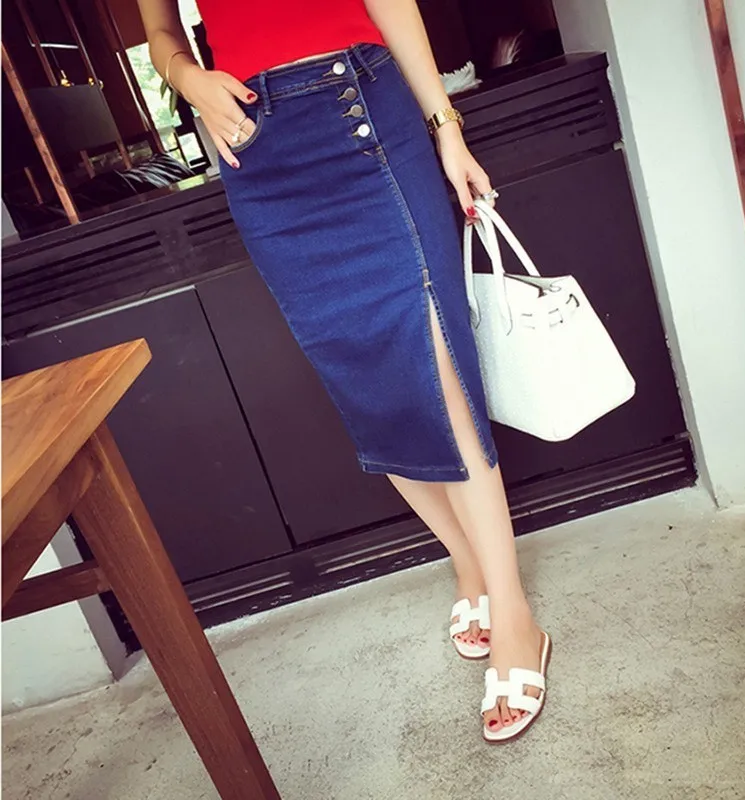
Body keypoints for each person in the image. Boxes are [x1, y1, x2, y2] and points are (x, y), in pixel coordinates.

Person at [138, 0, 550, 742]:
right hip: (256, 146)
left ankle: (515, 616)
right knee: (369, 385)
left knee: (438, 373)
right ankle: (467, 562)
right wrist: (187, 79)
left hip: (358, 106)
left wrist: (447, 128)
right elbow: (160, 28)